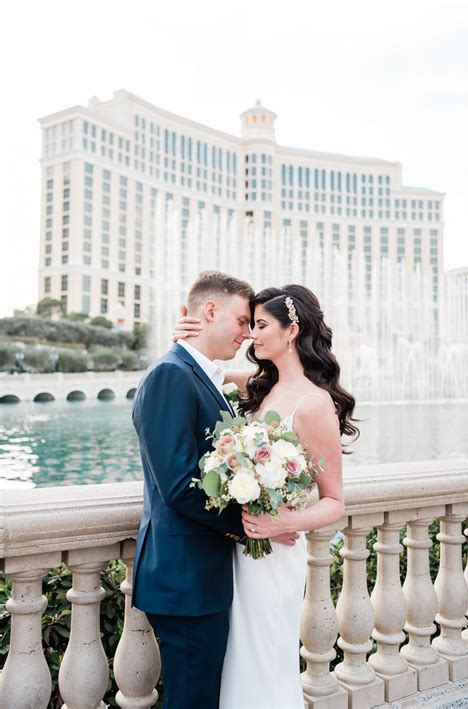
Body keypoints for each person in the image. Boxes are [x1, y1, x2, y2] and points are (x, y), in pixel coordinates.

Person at [174, 284, 357, 708]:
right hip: (242, 549)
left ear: (291, 330)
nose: (251, 335)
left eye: (260, 325)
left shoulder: (314, 404)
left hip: (277, 549)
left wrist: (285, 522)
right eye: (250, 324)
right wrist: (184, 334)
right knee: (239, 658)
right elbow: (195, 371)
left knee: (267, 656)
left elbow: (335, 500)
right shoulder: (259, 384)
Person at [131, 271, 297, 709]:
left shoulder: (202, 375)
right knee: (193, 700)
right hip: (184, 580)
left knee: (201, 696)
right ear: (209, 311)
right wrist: (254, 526)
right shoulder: (171, 375)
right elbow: (179, 486)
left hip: (199, 578)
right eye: (243, 322)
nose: (246, 335)